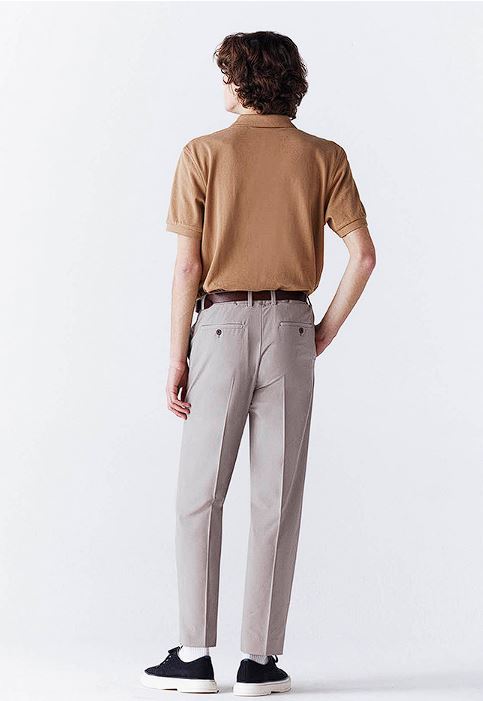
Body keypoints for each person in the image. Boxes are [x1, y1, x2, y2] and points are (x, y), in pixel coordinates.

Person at [142, 30, 376, 696]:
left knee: (199, 495)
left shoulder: (204, 153)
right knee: (276, 496)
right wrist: (319, 332)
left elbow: (187, 266)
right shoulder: (325, 156)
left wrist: (176, 355)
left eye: (226, 74)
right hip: (293, 326)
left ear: (244, 81)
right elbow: (363, 255)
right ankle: (260, 662)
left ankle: (194, 655)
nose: (221, 84)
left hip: (219, 326)